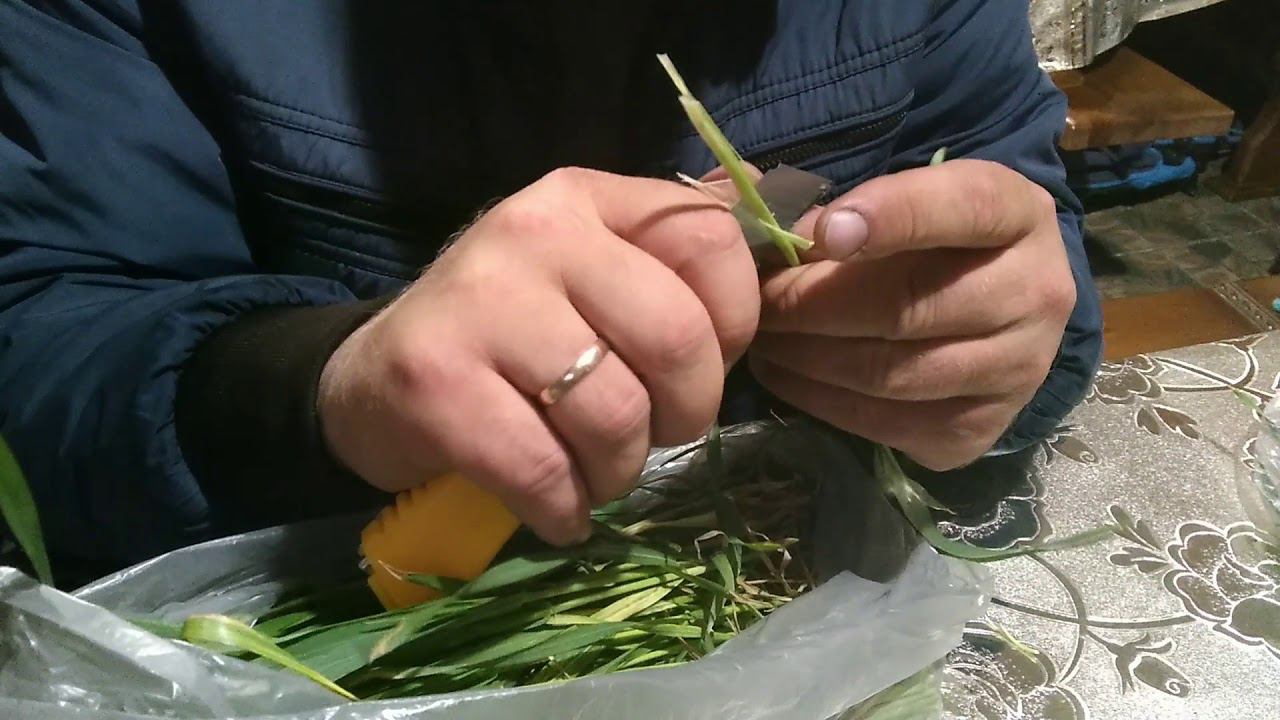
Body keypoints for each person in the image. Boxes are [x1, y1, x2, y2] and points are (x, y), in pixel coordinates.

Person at [0, 1, 1101, 577]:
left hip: (753, 572)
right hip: (335, 590)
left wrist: (1001, 347)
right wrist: (316, 387)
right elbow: (40, 337)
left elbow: (1019, 227)